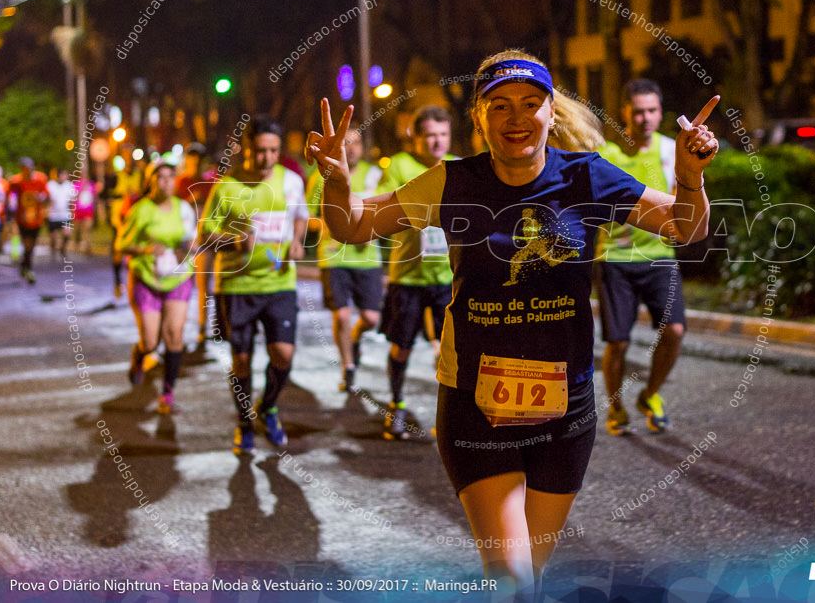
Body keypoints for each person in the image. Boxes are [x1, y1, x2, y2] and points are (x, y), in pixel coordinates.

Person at [308, 49, 719, 599]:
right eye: (499, 105)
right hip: (476, 404)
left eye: (530, 103)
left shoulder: (587, 177)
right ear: (478, 118)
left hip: (565, 408)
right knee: (512, 577)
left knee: (530, 573)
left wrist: (689, 178)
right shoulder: (452, 182)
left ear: (551, 112)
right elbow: (353, 226)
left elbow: (683, 228)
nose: (516, 117)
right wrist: (336, 183)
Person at [199, 115, 309, 455]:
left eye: (274, 150)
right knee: (242, 360)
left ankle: (269, 407)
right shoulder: (227, 186)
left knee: (283, 353)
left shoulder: (291, 181)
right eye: (260, 151)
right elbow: (205, 234)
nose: (267, 158)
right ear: (246, 148)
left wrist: (297, 241)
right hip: (237, 287)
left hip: (279, 283)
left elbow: (301, 215)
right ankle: (244, 422)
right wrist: (233, 242)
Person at [595, 78, 687, 435]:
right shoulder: (608, 154)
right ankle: (615, 406)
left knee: (675, 330)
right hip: (615, 260)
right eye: (638, 112)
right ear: (625, 114)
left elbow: (682, 198)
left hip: (661, 258)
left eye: (652, 111)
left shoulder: (670, 149)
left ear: (660, 113)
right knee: (618, 342)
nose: (645, 118)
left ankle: (649, 394)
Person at [373, 105, 455, 440]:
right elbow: (384, 209)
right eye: (430, 136)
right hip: (407, 276)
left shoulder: (459, 167)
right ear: (416, 137)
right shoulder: (399, 167)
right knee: (401, 346)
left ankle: (452, 414)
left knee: (453, 348)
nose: (437, 142)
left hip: (449, 277)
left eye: (443, 135)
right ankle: (396, 403)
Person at [305, 123, 382, 392]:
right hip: (334, 256)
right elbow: (309, 216)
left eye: (355, 143)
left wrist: (371, 231)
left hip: (368, 258)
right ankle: (348, 368)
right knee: (342, 315)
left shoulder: (376, 175)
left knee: (371, 318)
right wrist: (329, 224)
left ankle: (355, 338)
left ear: (363, 148)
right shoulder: (323, 175)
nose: (350, 149)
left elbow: (389, 210)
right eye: (345, 143)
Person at [115, 161, 197, 413]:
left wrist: (191, 247)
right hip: (147, 279)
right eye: (160, 177)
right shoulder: (141, 210)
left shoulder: (184, 208)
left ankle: (168, 395)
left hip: (178, 277)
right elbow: (121, 245)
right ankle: (139, 356)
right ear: (150, 181)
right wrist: (146, 249)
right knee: (151, 342)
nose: (166, 182)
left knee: (174, 335)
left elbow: (192, 239)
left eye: (170, 177)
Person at [176, 143, 218, 348]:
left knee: (204, 285)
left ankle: (203, 328)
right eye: (191, 160)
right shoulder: (181, 181)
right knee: (181, 285)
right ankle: (177, 329)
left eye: (198, 160)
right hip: (184, 240)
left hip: (204, 240)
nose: (195, 164)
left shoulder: (211, 182)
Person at [7, 157, 49, 284]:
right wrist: (11, 207)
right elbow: (10, 196)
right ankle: (28, 269)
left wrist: (41, 198)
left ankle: (24, 265)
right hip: (22, 219)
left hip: (36, 219)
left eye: (29, 168)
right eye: (24, 169)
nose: (27, 171)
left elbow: (46, 195)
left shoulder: (40, 179)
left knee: (31, 245)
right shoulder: (16, 181)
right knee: (27, 243)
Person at [110, 148, 143, 297]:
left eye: (130, 156)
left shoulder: (139, 175)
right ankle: (117, 282)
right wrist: (122, 195)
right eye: (126, 156)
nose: (128, 159)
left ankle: (135, 282)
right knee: (118, 251)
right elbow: (105, 193)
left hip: (135, 218)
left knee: (135, 250)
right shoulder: (116, 176)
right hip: (119, 219)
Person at [46, 168, 76, 261]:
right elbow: (47, 198)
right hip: (54, 215)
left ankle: (63, 249)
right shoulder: (51, 185)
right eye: (63, 175)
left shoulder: (69, 185)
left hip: (65, 215)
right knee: (53, 236)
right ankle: (53, 251)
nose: (65, 177)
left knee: (67, 233)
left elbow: (72, 199)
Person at [70, 167, 98, 254]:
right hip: (78, 209)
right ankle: (76, 243)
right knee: (77, 228)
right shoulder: (76, 185)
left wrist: (95, 208)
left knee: (87, 228)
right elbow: (73, 198)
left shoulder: (92, 185)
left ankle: (87, 245)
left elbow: (94, 198)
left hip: (88, 210)